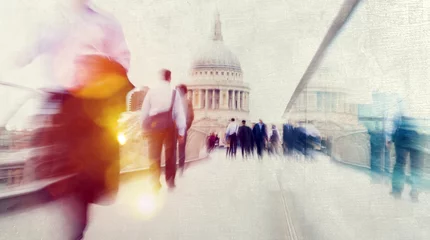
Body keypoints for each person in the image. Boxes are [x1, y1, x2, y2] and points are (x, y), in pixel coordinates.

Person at [11, 1, 132, 239]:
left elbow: (122, 58)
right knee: (60, 162)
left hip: (92, 101)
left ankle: (78, 213)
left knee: (87, 166)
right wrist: (22, 56)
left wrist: (103, 69)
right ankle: (65, 196)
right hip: (62, 100)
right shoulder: (54, 19)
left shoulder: (105, 22)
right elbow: (38, 45)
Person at [140, 69, 186, 190]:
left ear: (160, 78)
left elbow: (144, 111)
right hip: (168, 127)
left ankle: (154, 182)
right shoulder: (174, 93)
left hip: (154, 127)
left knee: (154, 155)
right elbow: (179, 113)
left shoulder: (151, 92)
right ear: (170, 78)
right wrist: (181, 132)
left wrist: (143, 128)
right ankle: (170, 180)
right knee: (170, 154)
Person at [176, 84, 194, 174]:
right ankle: (181, 168)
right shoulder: (188, 102)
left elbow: (190, 116)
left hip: (174, 128)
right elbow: (191, 117)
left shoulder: (174, 101)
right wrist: (186, 126)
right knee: (181, 149)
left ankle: (175, 169)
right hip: (183, 128)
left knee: (172, 149)